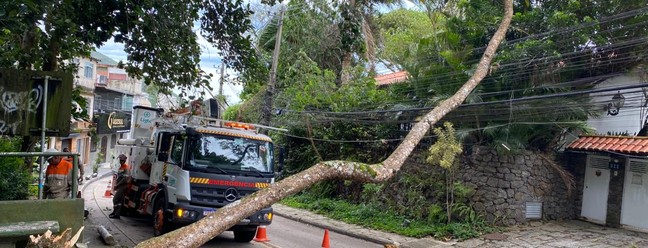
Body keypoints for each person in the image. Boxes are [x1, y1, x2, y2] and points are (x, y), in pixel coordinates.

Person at [110, 154, 130, 219]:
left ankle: (116, 213)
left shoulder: (126, 167)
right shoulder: (121, 167)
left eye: (122, 160)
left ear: (124, 161)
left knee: (115, 199)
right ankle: (116, 213)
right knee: (119, 201)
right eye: (120, 160)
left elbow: (125, 179)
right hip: (120, 186)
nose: (121, 161)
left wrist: (117, 185)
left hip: (122, 186)